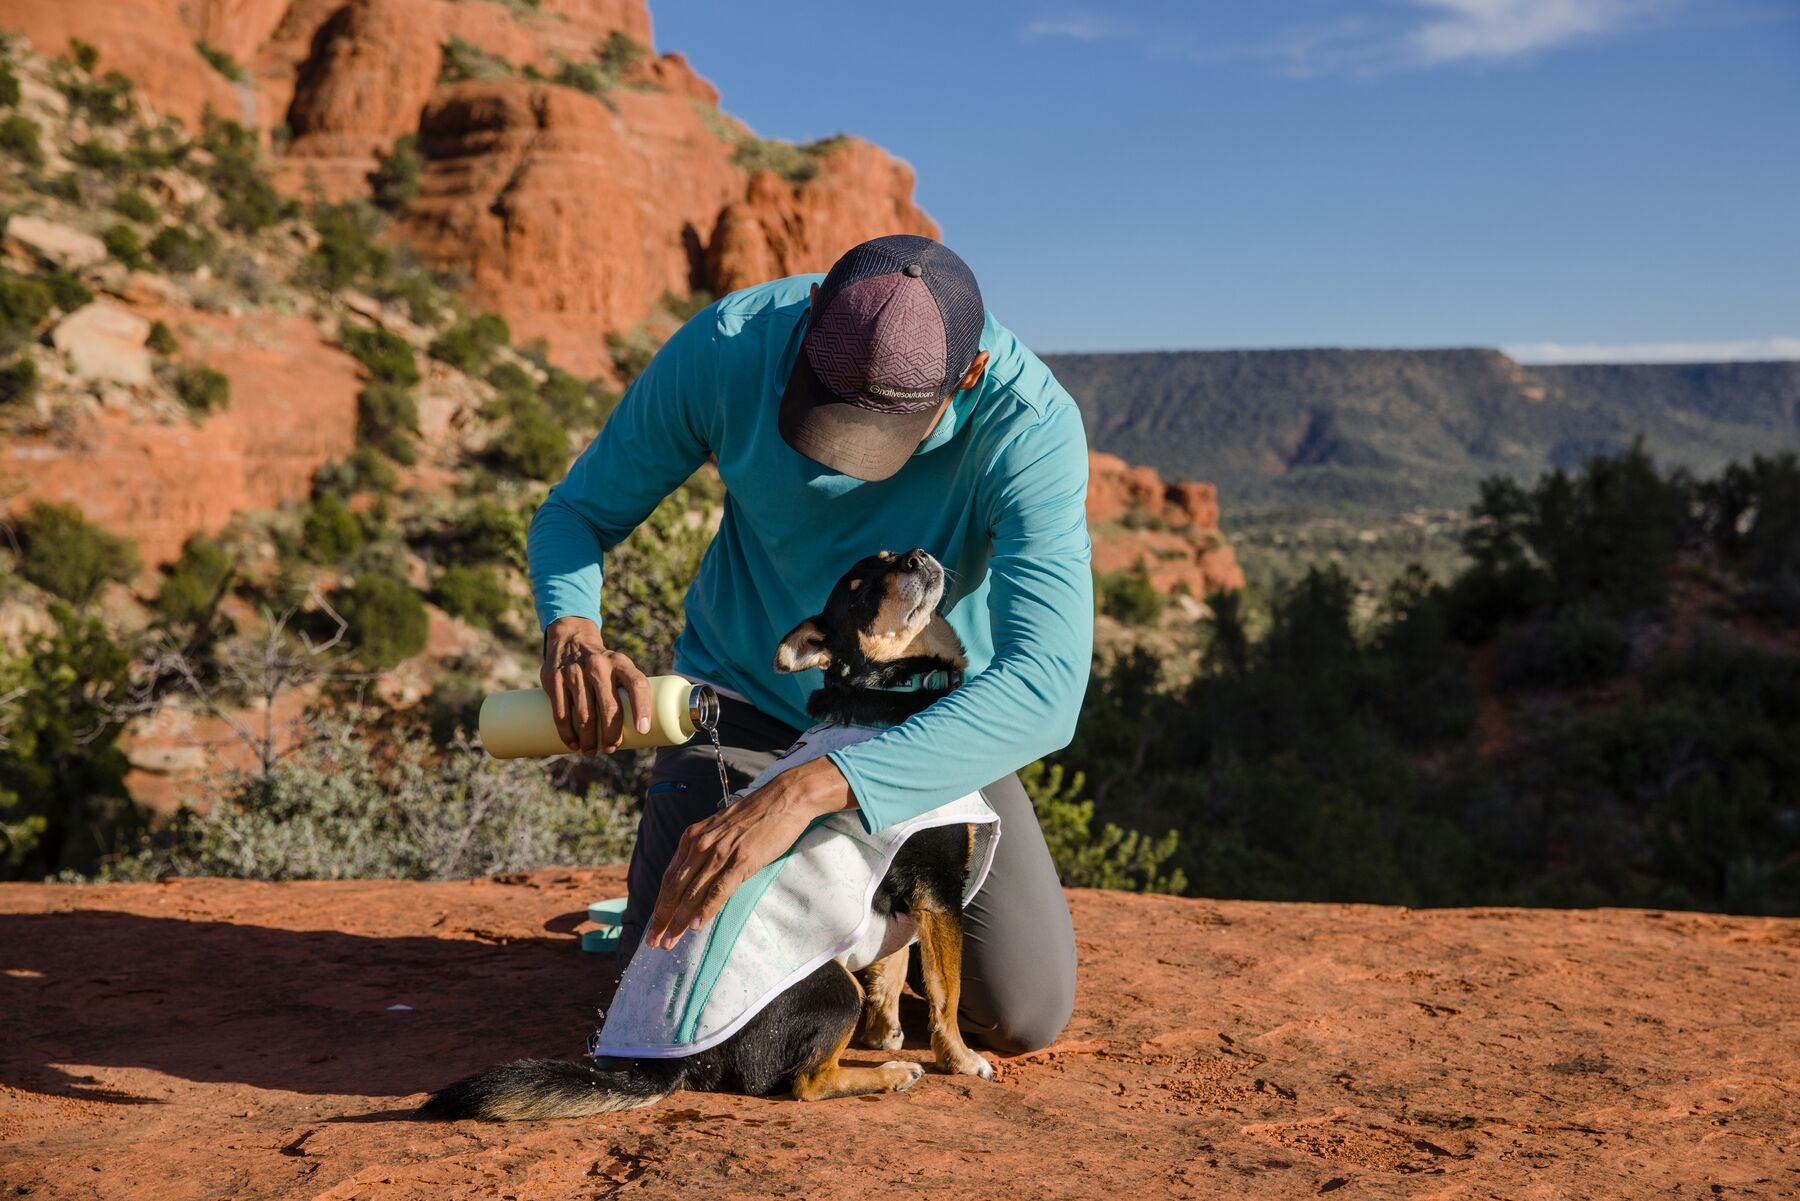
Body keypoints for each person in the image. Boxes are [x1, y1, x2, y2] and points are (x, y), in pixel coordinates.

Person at [528, 234, 1090, 1055]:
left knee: (1023, 1013)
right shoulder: (732, 344)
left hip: (922, 722)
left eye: (881, 432)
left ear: (964, 378)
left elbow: (1046, 686)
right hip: (742, 706)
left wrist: (804, 792)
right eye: (826, 410)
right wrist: (571, 623)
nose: (846, 461)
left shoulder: (1026, 426)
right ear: (810, 317)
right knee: (659, 1003)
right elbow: (577, 512)